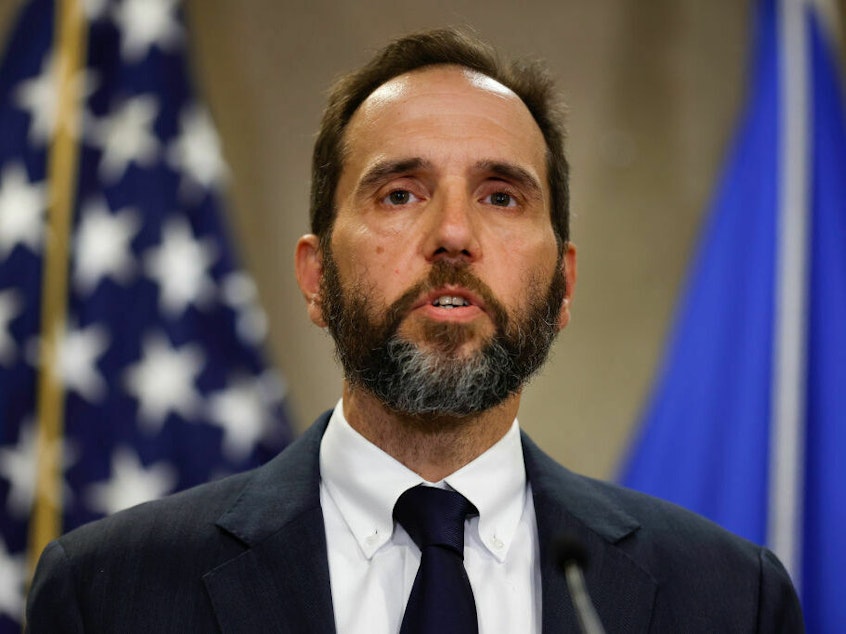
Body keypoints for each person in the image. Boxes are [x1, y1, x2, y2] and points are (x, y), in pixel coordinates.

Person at [27, 28, 803, 633]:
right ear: (315, 277)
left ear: (563, 283)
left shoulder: (729, 599)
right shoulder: (111, 593)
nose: (454, 234)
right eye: (400, 194)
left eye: (502, 197)